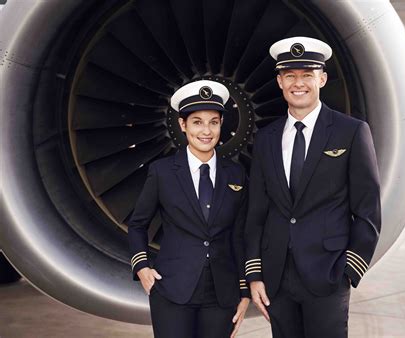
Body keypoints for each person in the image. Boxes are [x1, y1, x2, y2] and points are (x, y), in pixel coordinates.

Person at [244, 36, 381, 337]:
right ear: (280, 81)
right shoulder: (266, 139)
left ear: (322, 78)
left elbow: (367, 208)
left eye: (307, 74)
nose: (299, 83)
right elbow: (256, 211)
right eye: (290, 76)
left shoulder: (351, 132)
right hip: (277, 277)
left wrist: (349, 269)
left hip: (328, 274)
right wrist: (255, 274)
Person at [127, 80, 250, 338]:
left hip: (221, 293)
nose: (206, 131)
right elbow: (138, 224)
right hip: (172, 290)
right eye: (197, 121)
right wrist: (142, 267)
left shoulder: (236, 174)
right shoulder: (162, 173)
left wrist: (244, 291)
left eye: (213, 122)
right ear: (183, 125)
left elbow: (240, 236)